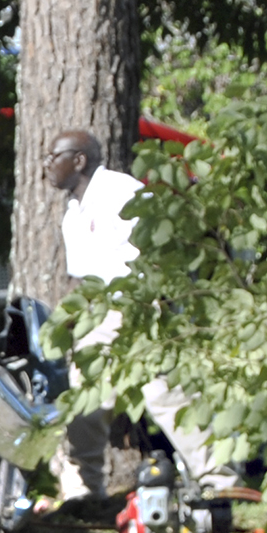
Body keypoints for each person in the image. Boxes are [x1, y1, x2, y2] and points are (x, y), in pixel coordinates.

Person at [41, 128, 226, 508]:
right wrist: (71, 318)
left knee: (166, 397)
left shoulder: (118, 192)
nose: (45, 165)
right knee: (84, 404)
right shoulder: (72, 213)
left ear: (79, 160)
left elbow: (154, 250)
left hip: (137, 308)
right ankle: (83, 492)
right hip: (97, 317)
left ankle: (220, 481)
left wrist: (153, 308)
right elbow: (80, 277)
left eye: (52, 156)